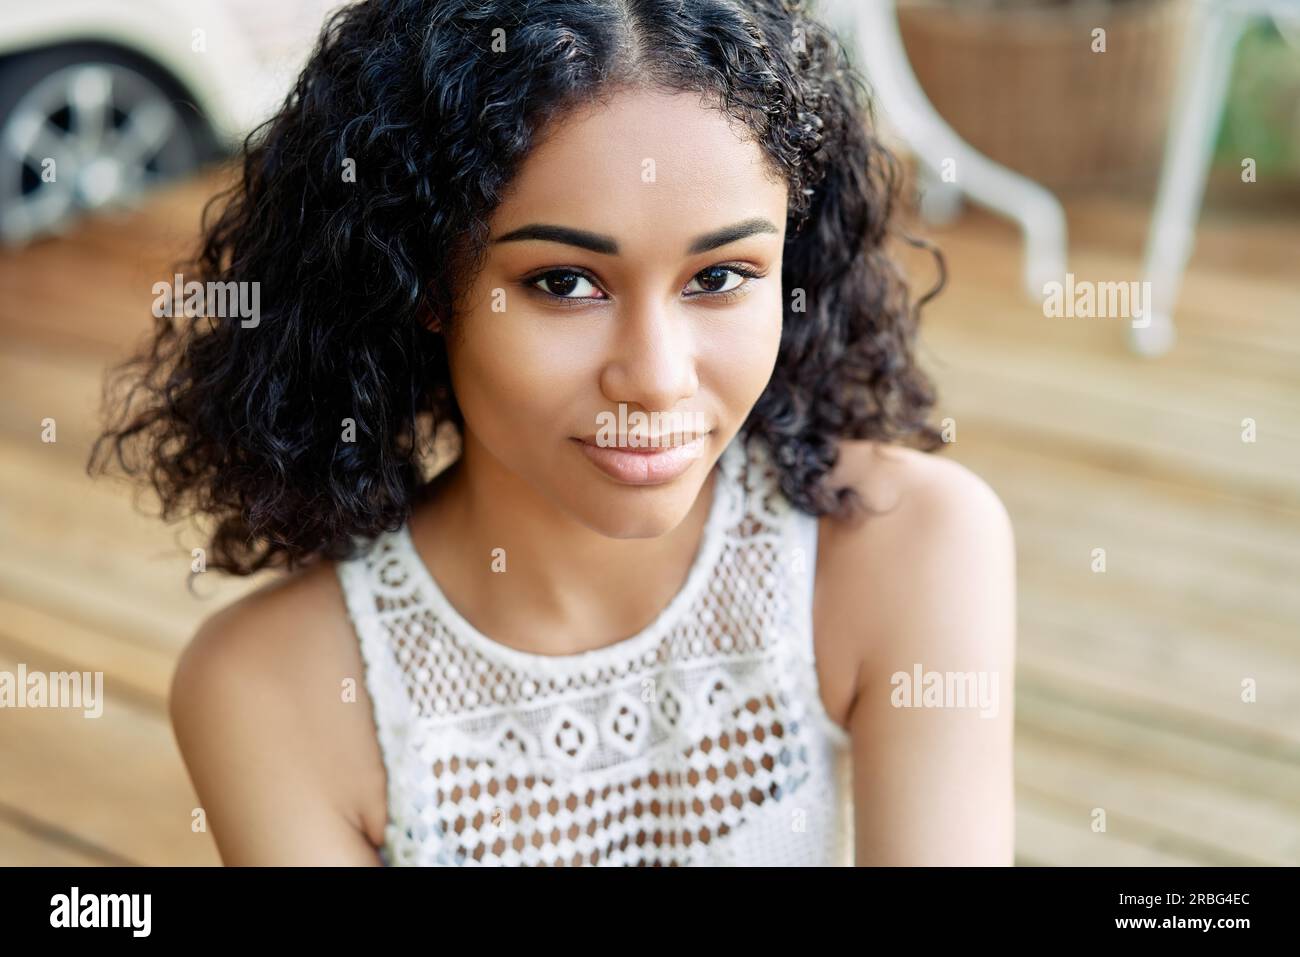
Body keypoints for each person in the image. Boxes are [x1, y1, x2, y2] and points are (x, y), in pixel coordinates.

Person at [91, 0, 1016, 866]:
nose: (655, 377)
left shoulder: (908, 545)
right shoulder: (266, 692)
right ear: (420, 285)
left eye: (723, 275)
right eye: (566, 282)